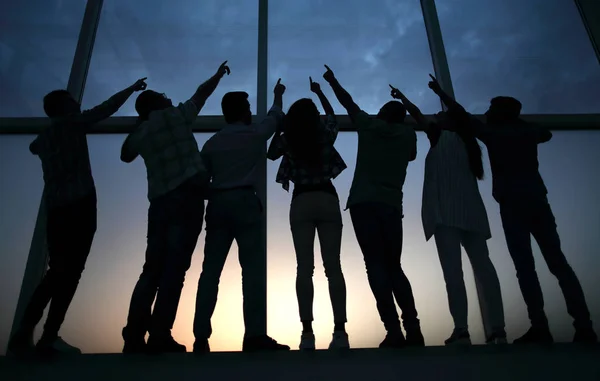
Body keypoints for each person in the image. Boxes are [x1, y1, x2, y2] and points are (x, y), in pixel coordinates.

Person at [442, 93, 597, 344]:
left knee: (525, 268)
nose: (487, 112)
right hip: (537, 200)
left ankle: (540, 326)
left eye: (492, 108)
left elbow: (462, 115)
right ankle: (583, 325)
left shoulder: (494, 134)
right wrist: (518, 124)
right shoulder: (525, 133)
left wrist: (443, 95)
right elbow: (545, 133)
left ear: (501, 113)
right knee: (558, 263)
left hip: (512, 204)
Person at [7, 78, 147, 356]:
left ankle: (25, 331)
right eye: (72, 101)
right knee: (71, 273)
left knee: (56, 271)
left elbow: (33, 148)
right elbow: (107, 108)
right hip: (80, 204)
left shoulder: (45, 138)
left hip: (56, 209)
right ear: (63, 107)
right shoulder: (74, 123)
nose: (78, 103)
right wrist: (130, 89)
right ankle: (49, 335)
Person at [119, 61, 230, 354]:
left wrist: (140, 123)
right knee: (174, 270)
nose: (169, 98)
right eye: (164, 96)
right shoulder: (176, 116)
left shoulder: (141, 132)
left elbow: (125, 155)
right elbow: (200, 95)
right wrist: (217, 74)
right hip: (188, 199)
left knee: (151, 270)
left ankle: (133, 334)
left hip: (159, 204)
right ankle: (159, 334)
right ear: (159, 102)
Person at [390, 76, 507, 346]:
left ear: (449, 122)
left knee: (453, 274)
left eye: (441, 116)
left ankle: (462, 329)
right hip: (472, 214)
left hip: (445, 214)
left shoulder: (439, 136)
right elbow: (454, 114)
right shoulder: (470, 145)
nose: (437, 118)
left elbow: (418, 115)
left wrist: (403, 98)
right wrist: (438, 91)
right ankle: (498, 328)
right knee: (485, 269)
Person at [322, 65, 424, 348]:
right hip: (391, 204)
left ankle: (393, 331)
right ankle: (413, 327)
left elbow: (348, 103)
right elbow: (413, 156)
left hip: (363, 203)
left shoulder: (369, 126)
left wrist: (332, 80)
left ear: (381, 114)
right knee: (394, 265)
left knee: (375, 265)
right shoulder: (408, 136)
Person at [192, 79, 290, 354]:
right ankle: (255, 335)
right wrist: (278, 94)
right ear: (243, 111)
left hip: (219, 203)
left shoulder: (212, 143)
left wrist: (218, 192)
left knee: (210, 271)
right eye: (247, 106)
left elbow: (200, 181)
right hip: (247, 202)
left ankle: (201, 336)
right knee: (253, 272)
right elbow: (275, 116)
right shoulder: (255, 135)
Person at [267, 77, 349, 350]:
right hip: (327, 197)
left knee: (304, 268)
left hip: (301, 199)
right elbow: (332, 117)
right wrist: (321, 92)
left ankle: (307, 334)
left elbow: (270, 154)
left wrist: (281, 121)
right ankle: (340, 332)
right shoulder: (324, 133)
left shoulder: (288, 138)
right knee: (333, 266)